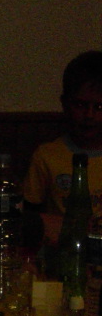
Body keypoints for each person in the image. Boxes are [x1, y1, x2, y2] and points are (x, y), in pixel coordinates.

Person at [24, 50, 102, 246]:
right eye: (81, 105)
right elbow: (30, 212)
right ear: (65, 104)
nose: (89, 115)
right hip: (63, 249)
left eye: (99, 107)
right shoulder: (47, 155)